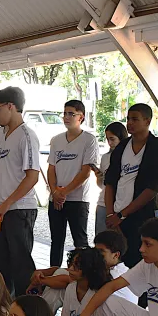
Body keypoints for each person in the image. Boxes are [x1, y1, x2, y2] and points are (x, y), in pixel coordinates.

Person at [0, 86, 40, 296]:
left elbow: (32, 177)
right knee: (1, 264)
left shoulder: (27, 136)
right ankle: (4, 308)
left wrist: (6, 203)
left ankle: (29, 309)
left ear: (11, 106)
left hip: (19, 209)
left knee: (21, 264)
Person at [103, 104, 158, 267]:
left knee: (138, 261)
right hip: (117, 215)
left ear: (147, 121)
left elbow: (153, 188)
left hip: (141, 217)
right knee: (116, 261)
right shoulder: (122, 147)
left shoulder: (156, 149)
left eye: (135, 119)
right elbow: (110, 182)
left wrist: (122, 215)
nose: (130, 123)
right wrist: (111, 214)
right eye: (128, 119)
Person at [47, 100, 99, 265]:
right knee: (56, 240)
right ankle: (52, 275)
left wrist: (64, 192)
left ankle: (82, 276)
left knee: (80, 242)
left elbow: (85, 172)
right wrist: (55, 192)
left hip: (77, 200)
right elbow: (51, 168)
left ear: (81, 117)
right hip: (56, 199)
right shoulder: (56, 140)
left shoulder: (89, 140)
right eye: (65, 113)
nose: (67, 117)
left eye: (71, 114)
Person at [94, 123, 128, 236]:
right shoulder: (105, 157)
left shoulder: (128, 156)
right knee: (101, 239)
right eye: (107, 139)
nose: (109, 142)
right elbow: (102, 185)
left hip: (120, 204)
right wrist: (99, 177)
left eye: (112, 139)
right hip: (103, 203)